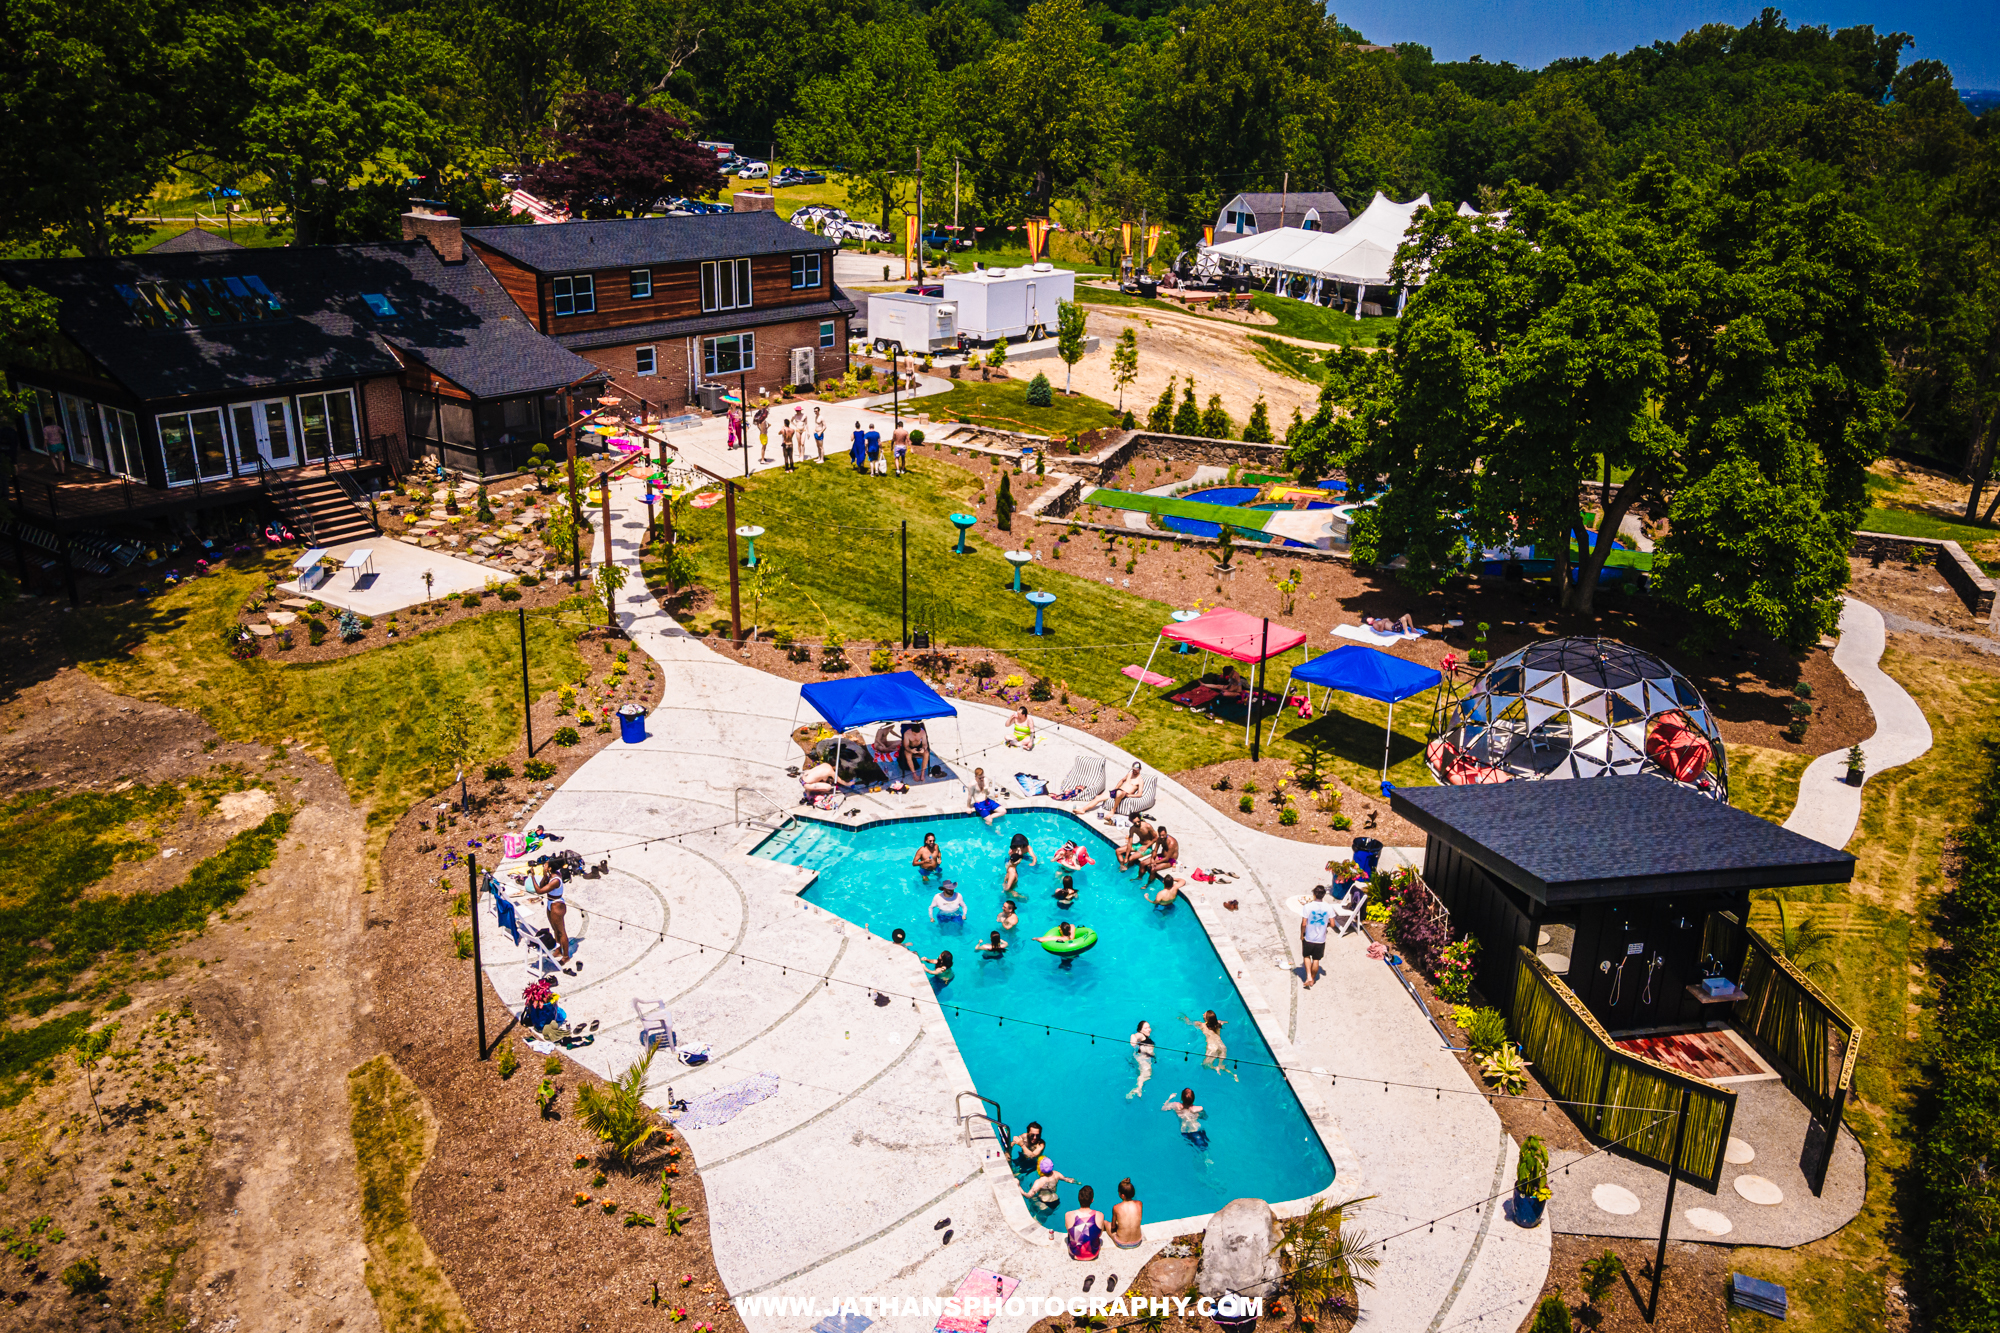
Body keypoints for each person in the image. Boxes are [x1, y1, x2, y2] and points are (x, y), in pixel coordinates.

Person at [529, 861, 576, 966]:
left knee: (561, 931)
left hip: (557, 905)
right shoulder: (551, 875)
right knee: (555, 929)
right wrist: (545, 874)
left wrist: (532, 877)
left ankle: (566, 956)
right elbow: (542, 884)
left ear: (550, 868)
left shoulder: (555, 880)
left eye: (546, 865)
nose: (544, 866)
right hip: (550, 903)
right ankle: (559, 948)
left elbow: (539, 890)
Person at [1180, 1011, 1236, 1079]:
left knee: (1205, 1066)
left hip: (1212, 1047)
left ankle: (1215, 1068)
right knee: (1222, 1066)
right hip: (1222, 1046)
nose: (1203, 1014)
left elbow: (1188, 1023)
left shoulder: (1201, 1024)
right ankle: (1232, 1074)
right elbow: (1226, 1022)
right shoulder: (1218, 1024)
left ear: (1206, 1019)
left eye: (1204, 1014)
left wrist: (1183, 1018)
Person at [1300, 885, 1332, 989]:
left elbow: (1304, 923)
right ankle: (1312, 979)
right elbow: (1332, 923)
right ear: (1324, 895)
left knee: (1306, 956)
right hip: (1321, 939)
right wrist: (1324, 925)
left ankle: (1308, 975)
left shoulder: (1308, 906)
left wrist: (1302, 934)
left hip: (1309, 937)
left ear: (1314, 895)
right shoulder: (1328, 907)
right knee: (1316, 959)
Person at [1065, 1185, 1105, 1260]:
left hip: (1075, 1254)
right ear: (1092, 1200)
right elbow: (1100, 1234)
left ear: (1079, 1199)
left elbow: (1069, 1231)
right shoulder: (1100, 1215)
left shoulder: (1068, 1215)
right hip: (1093, 1254)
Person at [1109, 1179, 1144, 1249]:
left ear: (1122, 1195)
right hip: (1138, 1242)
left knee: (1106, 1223)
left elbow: (1113, 1227)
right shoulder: (1139, 1204)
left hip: (1122, 1243)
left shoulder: (1116, 1207)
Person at [1126, 1021, 1155, 1100]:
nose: (1148, 1029)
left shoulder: (1146, 1036)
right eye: (1146, 1028)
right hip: (1143, 1060)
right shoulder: (1142, 1035)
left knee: (1147, 1075)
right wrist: (1133, 1040)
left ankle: (1138, 1088)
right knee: (1146, 1073)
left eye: (1149, 1027)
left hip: (1144, 1059)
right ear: (1140, 1030)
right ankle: (1137, 1089)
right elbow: (1134, 1036)